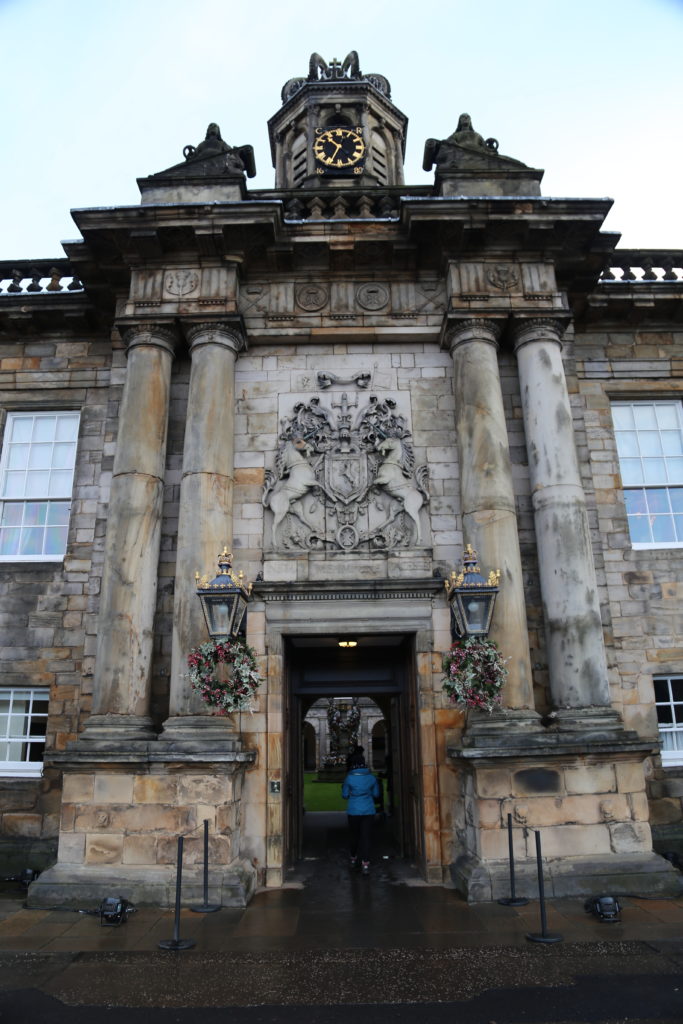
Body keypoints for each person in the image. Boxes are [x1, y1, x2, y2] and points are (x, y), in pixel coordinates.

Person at [341, 752, 380, 875]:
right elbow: (376, 795)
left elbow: (345, 795)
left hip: (354, 811)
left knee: (354, 835)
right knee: (366, 836)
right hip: (368, 810)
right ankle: (366, 862)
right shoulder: (371, 777)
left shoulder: (349, 778)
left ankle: (353, 856)